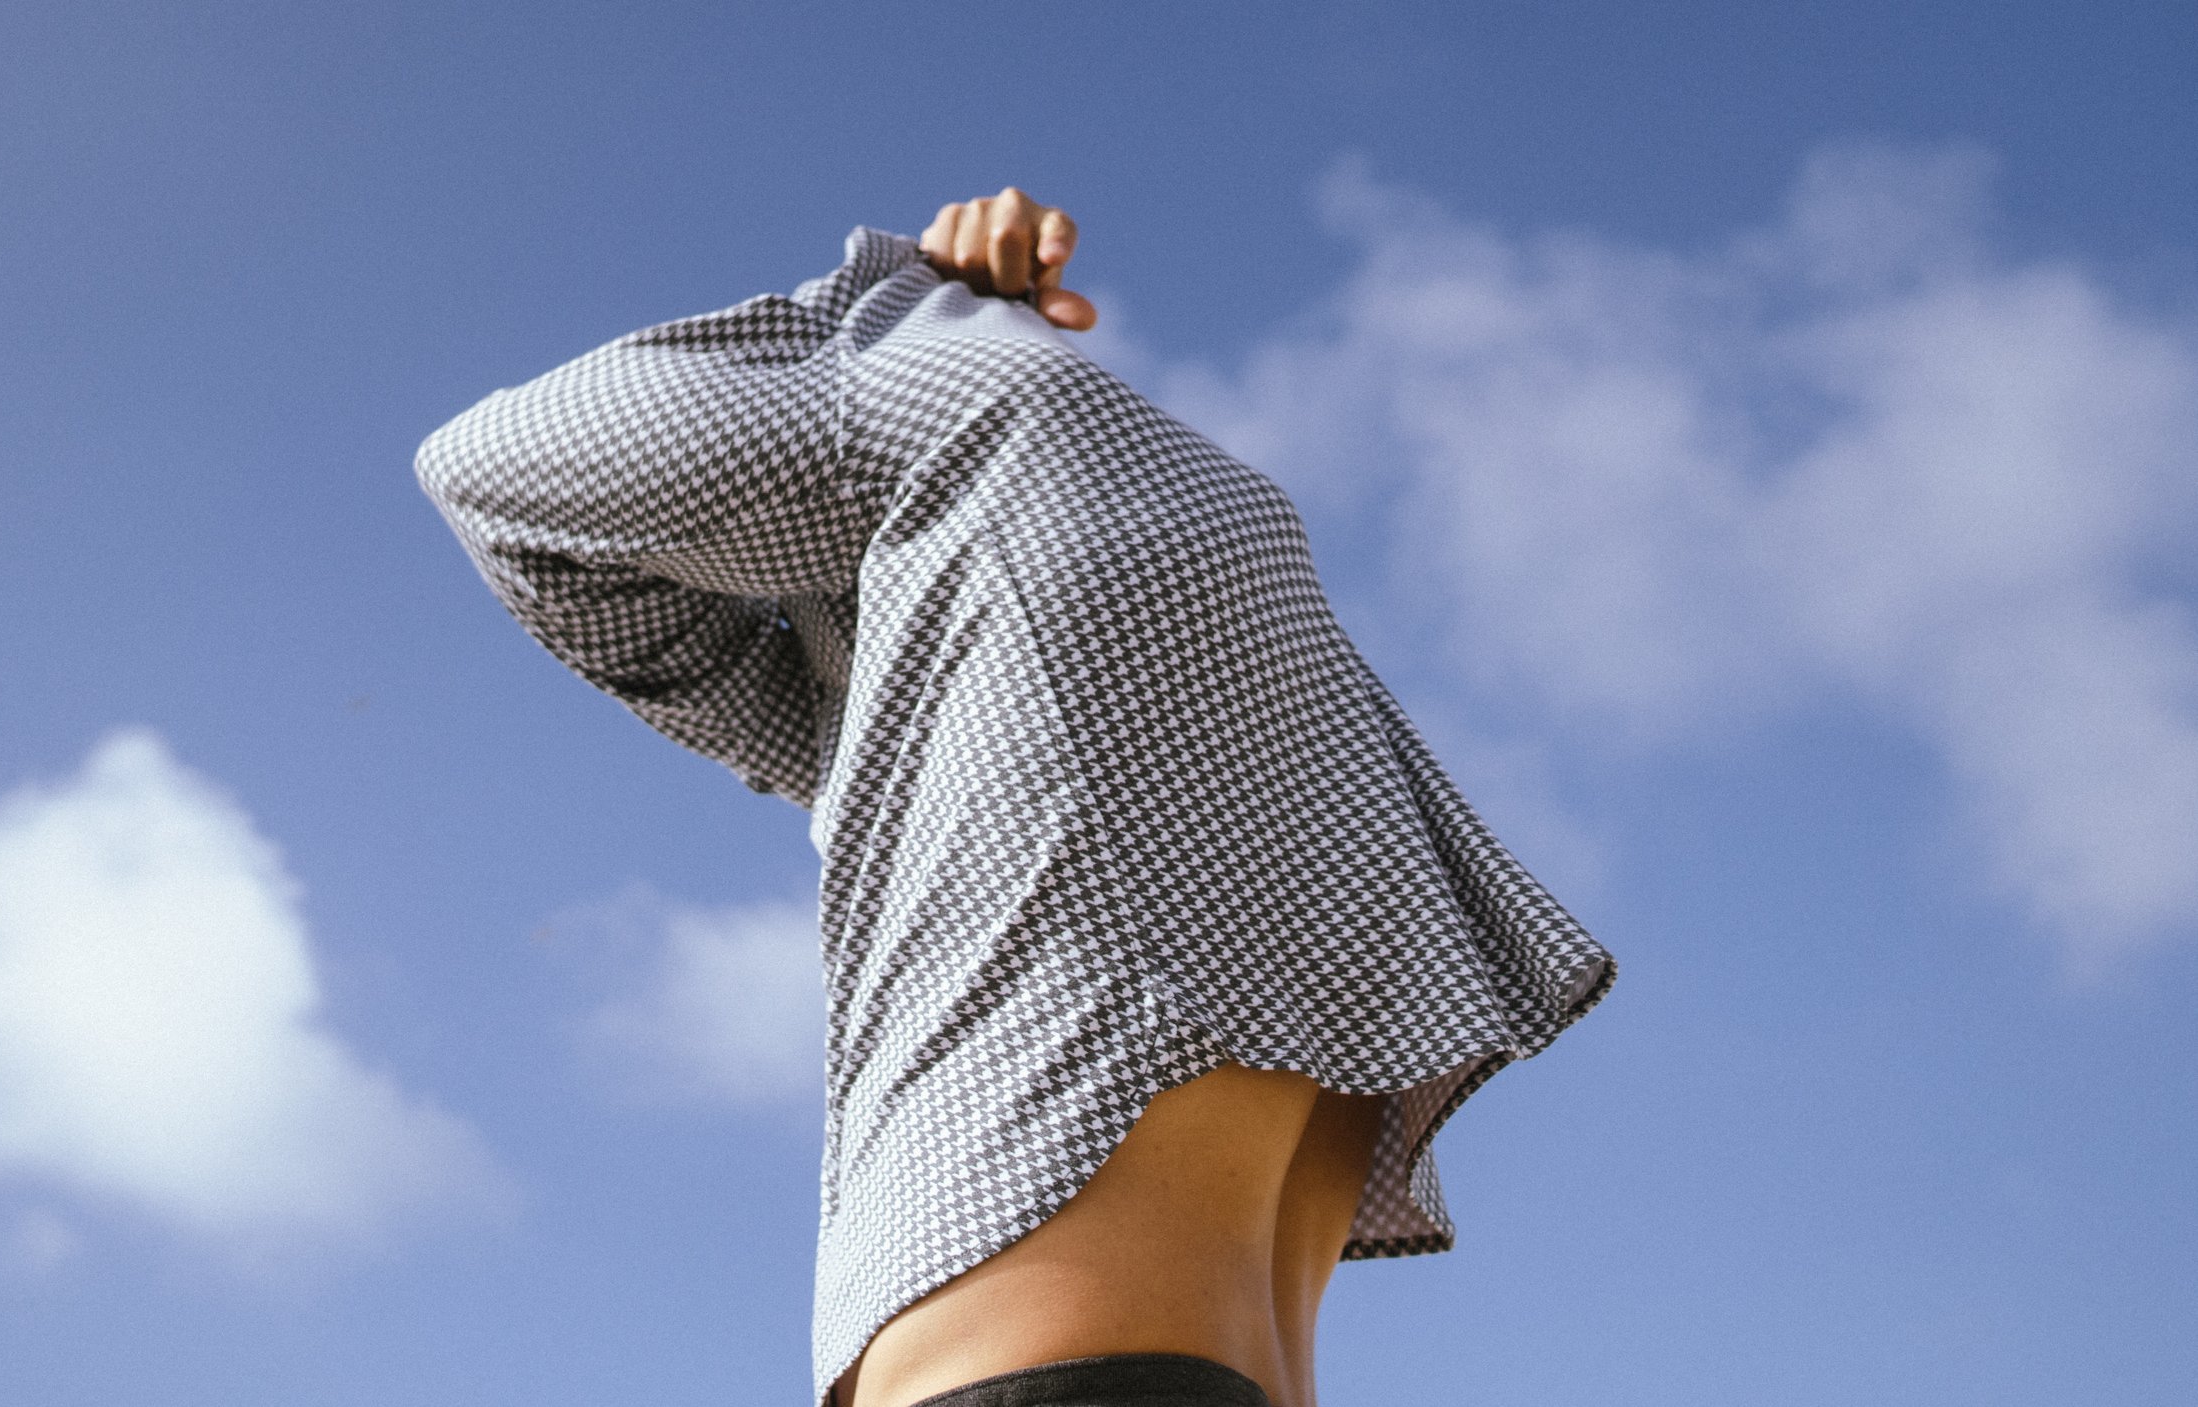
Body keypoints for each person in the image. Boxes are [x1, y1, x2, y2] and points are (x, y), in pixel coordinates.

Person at [416, 189, 1614, 1407]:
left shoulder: (996, 431)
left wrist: (878, 293)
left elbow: (500, 472)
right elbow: (517, 493)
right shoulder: (1245, 691)